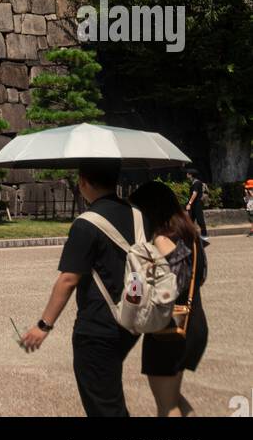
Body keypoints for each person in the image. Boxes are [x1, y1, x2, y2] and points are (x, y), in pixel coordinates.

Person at [21, 160, 138, 417]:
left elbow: (68, 279)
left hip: (98, 325)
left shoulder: (87, 224)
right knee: (108, 395)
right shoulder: (137, 215)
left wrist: (43, 326)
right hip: (131, 318)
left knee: (104, 406)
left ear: (83, 181)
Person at [130, 180, 208, 417]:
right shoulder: (191, 236)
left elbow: (174, 284)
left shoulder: (162, 239)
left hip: (170, 328)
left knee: (167, 406)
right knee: (174, 399)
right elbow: (199, 276)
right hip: (193, 321)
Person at [184, 169, 208, 241]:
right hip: (194, 205)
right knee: (191, 220)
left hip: (197, 204)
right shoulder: (193, 182)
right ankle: (190, 235)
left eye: (187, 173)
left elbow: (195, 194)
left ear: (191, 174)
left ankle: (204, 235)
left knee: (200, 219)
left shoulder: (197, 183)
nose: (186, 174)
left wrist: (189, 203)